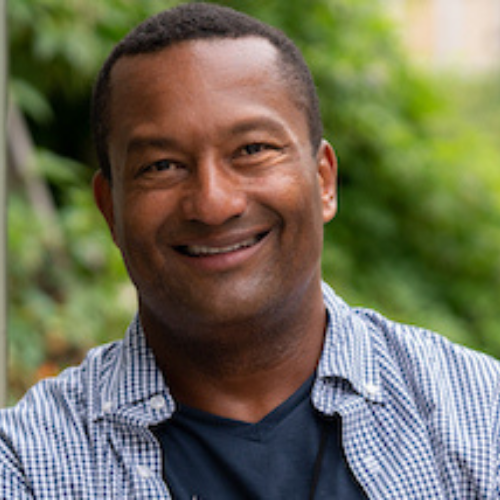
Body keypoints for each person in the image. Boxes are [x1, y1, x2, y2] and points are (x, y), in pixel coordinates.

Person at [1, 3, 500, 498]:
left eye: (253, 150)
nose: (214, 204)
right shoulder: (29, 462)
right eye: (161, 166)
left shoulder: (478, 417)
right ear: (110, 209)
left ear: (324, 181)